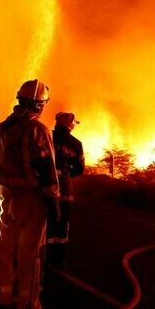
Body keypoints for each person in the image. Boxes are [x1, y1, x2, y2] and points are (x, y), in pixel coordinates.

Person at [0, 79, 61, 309]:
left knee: (5, 247)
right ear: (40, 105)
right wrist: (53, 201)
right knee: (30, 252)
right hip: (31, 198)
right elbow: (46, 169)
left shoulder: (0, 129)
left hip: (5, 196)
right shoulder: (38, 130)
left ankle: (4, 296)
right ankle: (27, 303)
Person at [47, 112, 85, 268]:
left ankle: (43, 257)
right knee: (62, 222)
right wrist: (67, 174)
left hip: (46, 183)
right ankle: (58, 259)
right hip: (65, 186)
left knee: (46, 219)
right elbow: (80, 168)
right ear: (71, 125)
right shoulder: (76, 144)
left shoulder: (46, 136)